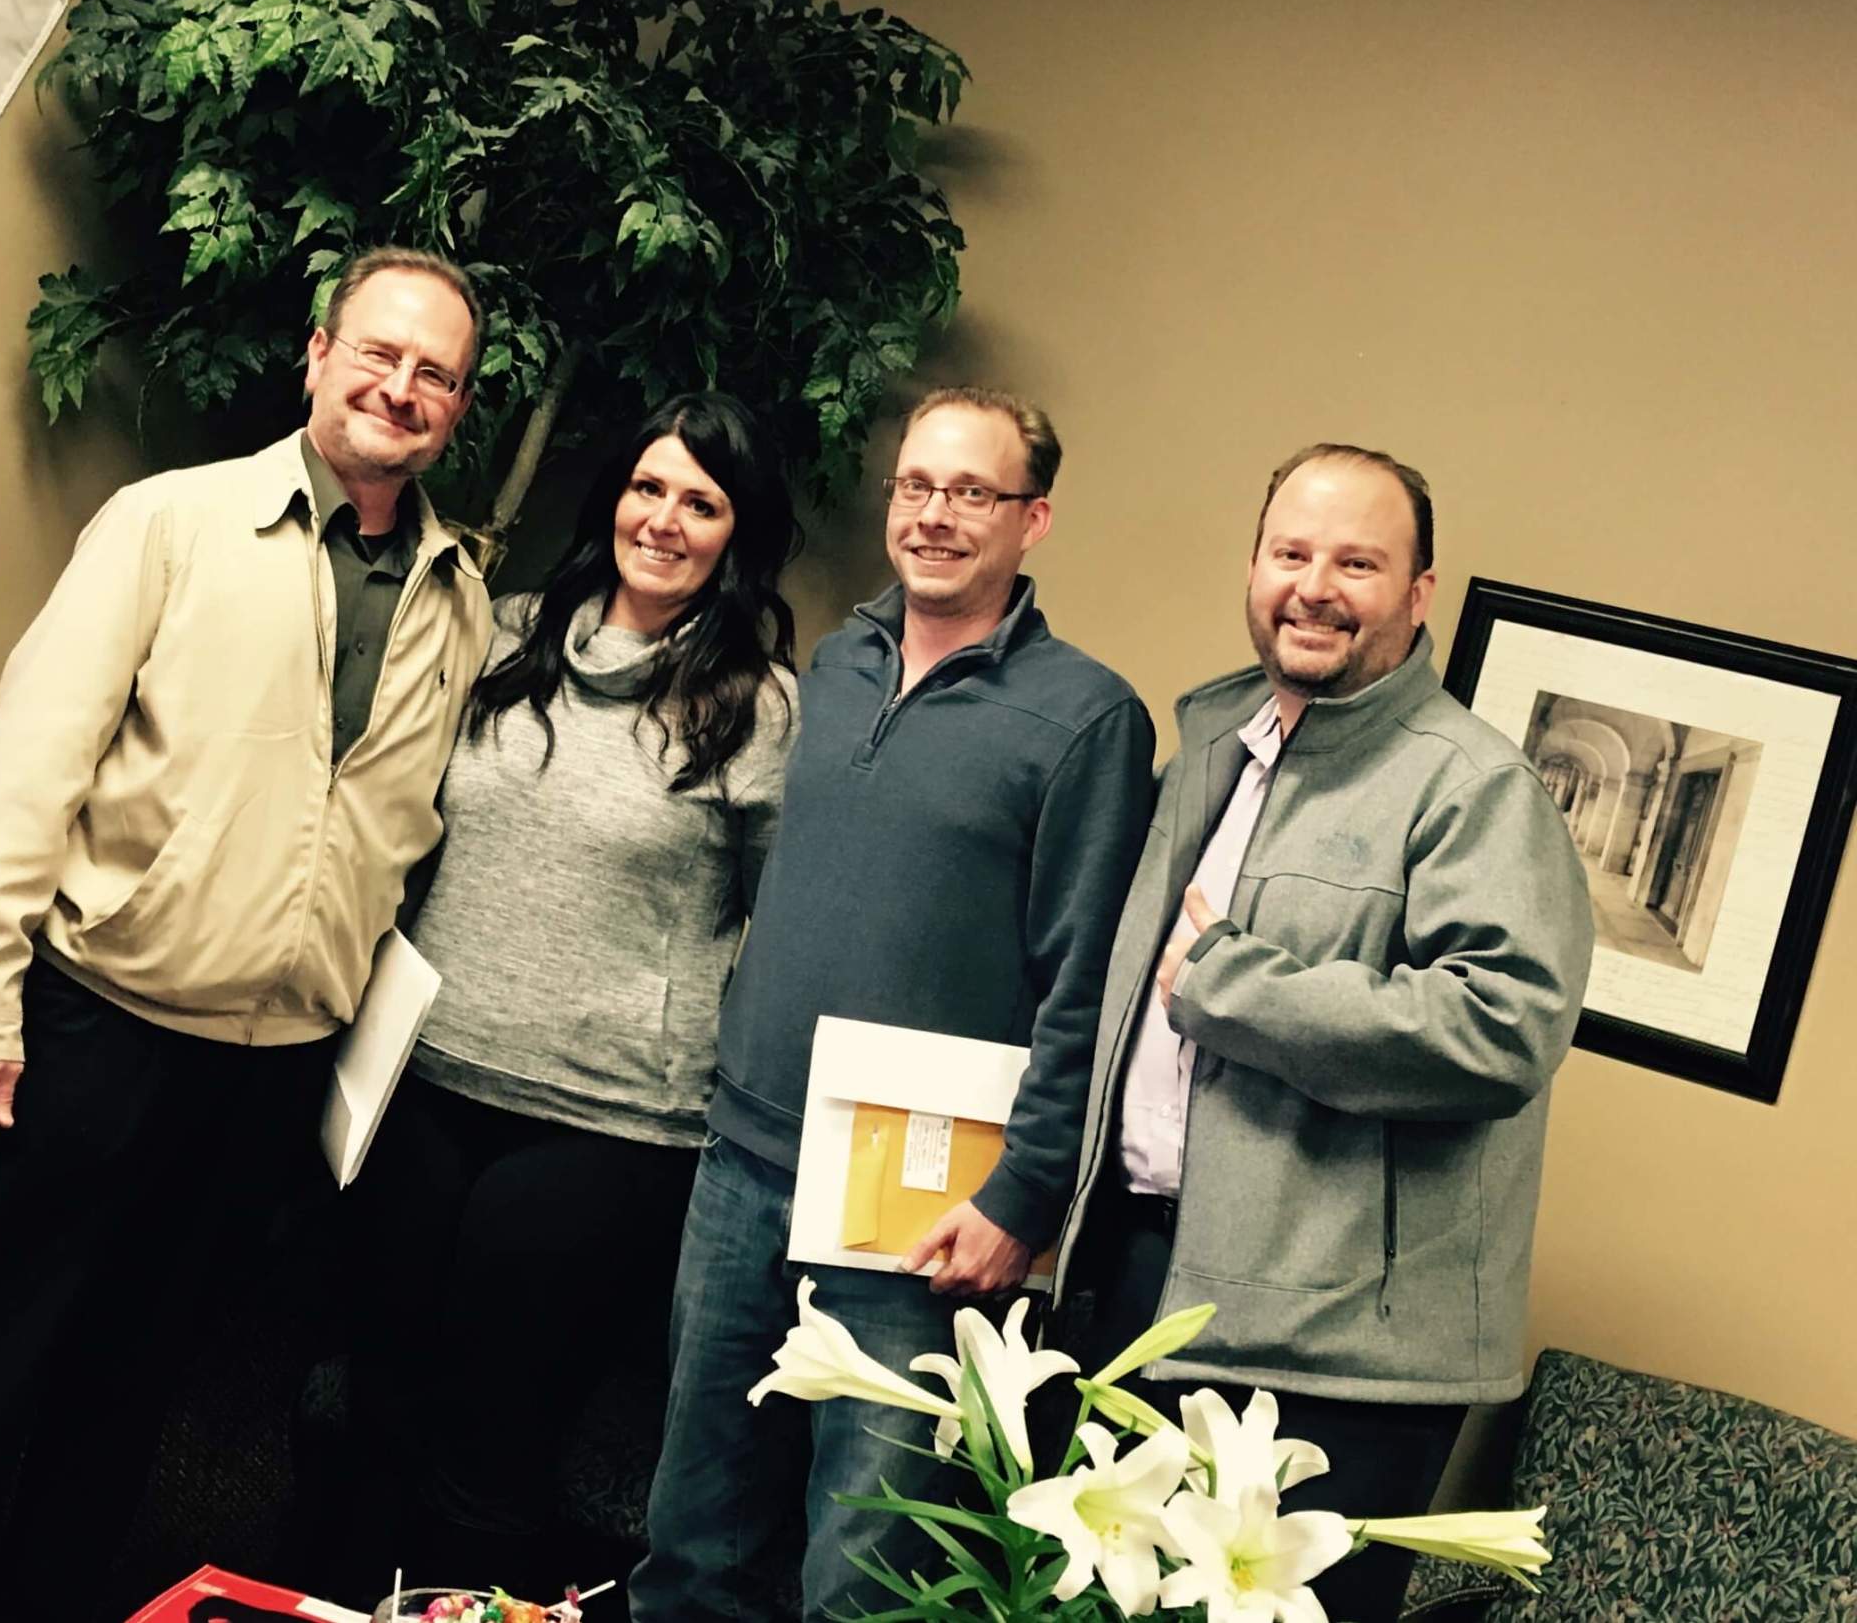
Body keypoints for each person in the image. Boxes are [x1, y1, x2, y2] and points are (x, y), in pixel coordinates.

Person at [0, 246, 493, 1605]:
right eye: (378, 351)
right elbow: (27, 773)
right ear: (317, 352)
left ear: (459, 407)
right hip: (88, 1034)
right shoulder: (168, 522)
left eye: (436, 372)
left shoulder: (462, 594)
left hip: (266, 1078)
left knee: (132, 1401)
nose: (401, 386)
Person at [630, 386, 1155, 1623]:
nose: (933, 514)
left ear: (1034, 518)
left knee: (864, 1572)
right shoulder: (837, 659)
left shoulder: (1088, 720)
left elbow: (1088, 987)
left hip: (923, 1214)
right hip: (746, 1165)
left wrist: (1023, 1196)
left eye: (971, 491)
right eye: (916, 485)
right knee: (690, 1541)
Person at [1053, 442, 1594, 1623]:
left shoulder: (1474, 784)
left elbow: (1503, 1026)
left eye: (1358, 560)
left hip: (1341, 1355)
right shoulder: (1212, 745)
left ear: (1419, 592)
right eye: (1291, 551)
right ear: (1252, 562)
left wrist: (1235, 982)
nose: (1315, 585)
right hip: (1152, 1279)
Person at [344, 393, 801, 1595]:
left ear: (736, 533)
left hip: (606, 1127)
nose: (664, 518)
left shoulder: (761, 709)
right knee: (364, 1400)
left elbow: (782, 924)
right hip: (421, 1083)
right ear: (613, 497)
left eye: (701, 501)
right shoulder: (501, 638)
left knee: (488, 1441)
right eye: (649, 487)